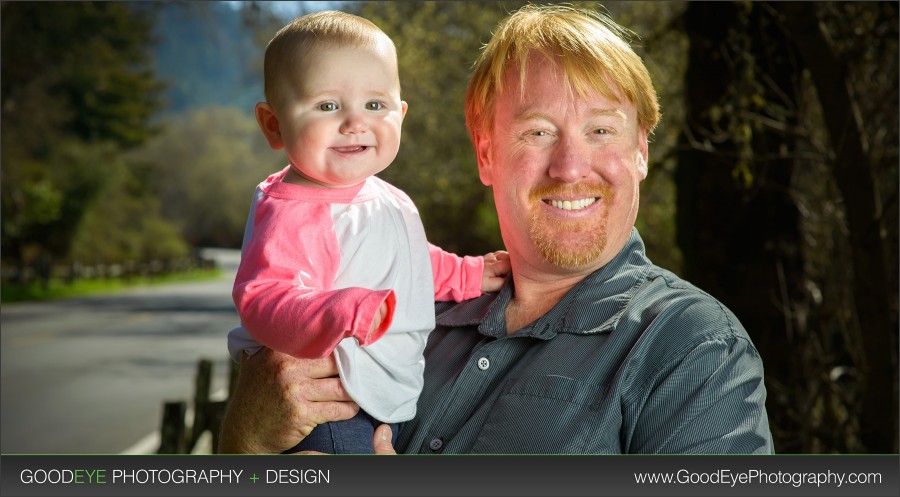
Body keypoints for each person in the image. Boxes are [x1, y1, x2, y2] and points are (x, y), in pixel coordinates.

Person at [220, 4, 774, 455]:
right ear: (486, 154)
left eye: (602, 129)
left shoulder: (693, 347)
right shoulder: (416, 307)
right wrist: (244, 441)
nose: (570, 166)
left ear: (641, 152)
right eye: (537, 132)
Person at [229, 10, 510, 454]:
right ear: (274, 125)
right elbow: (263, 298)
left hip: (380, 394)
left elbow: (409, 260)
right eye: (327, 105)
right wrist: (345, 311)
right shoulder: (294, 211)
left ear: (400, 114)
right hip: (330, 409)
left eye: (375, 105)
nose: (354, 122)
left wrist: (467, 274)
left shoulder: (384, 198)